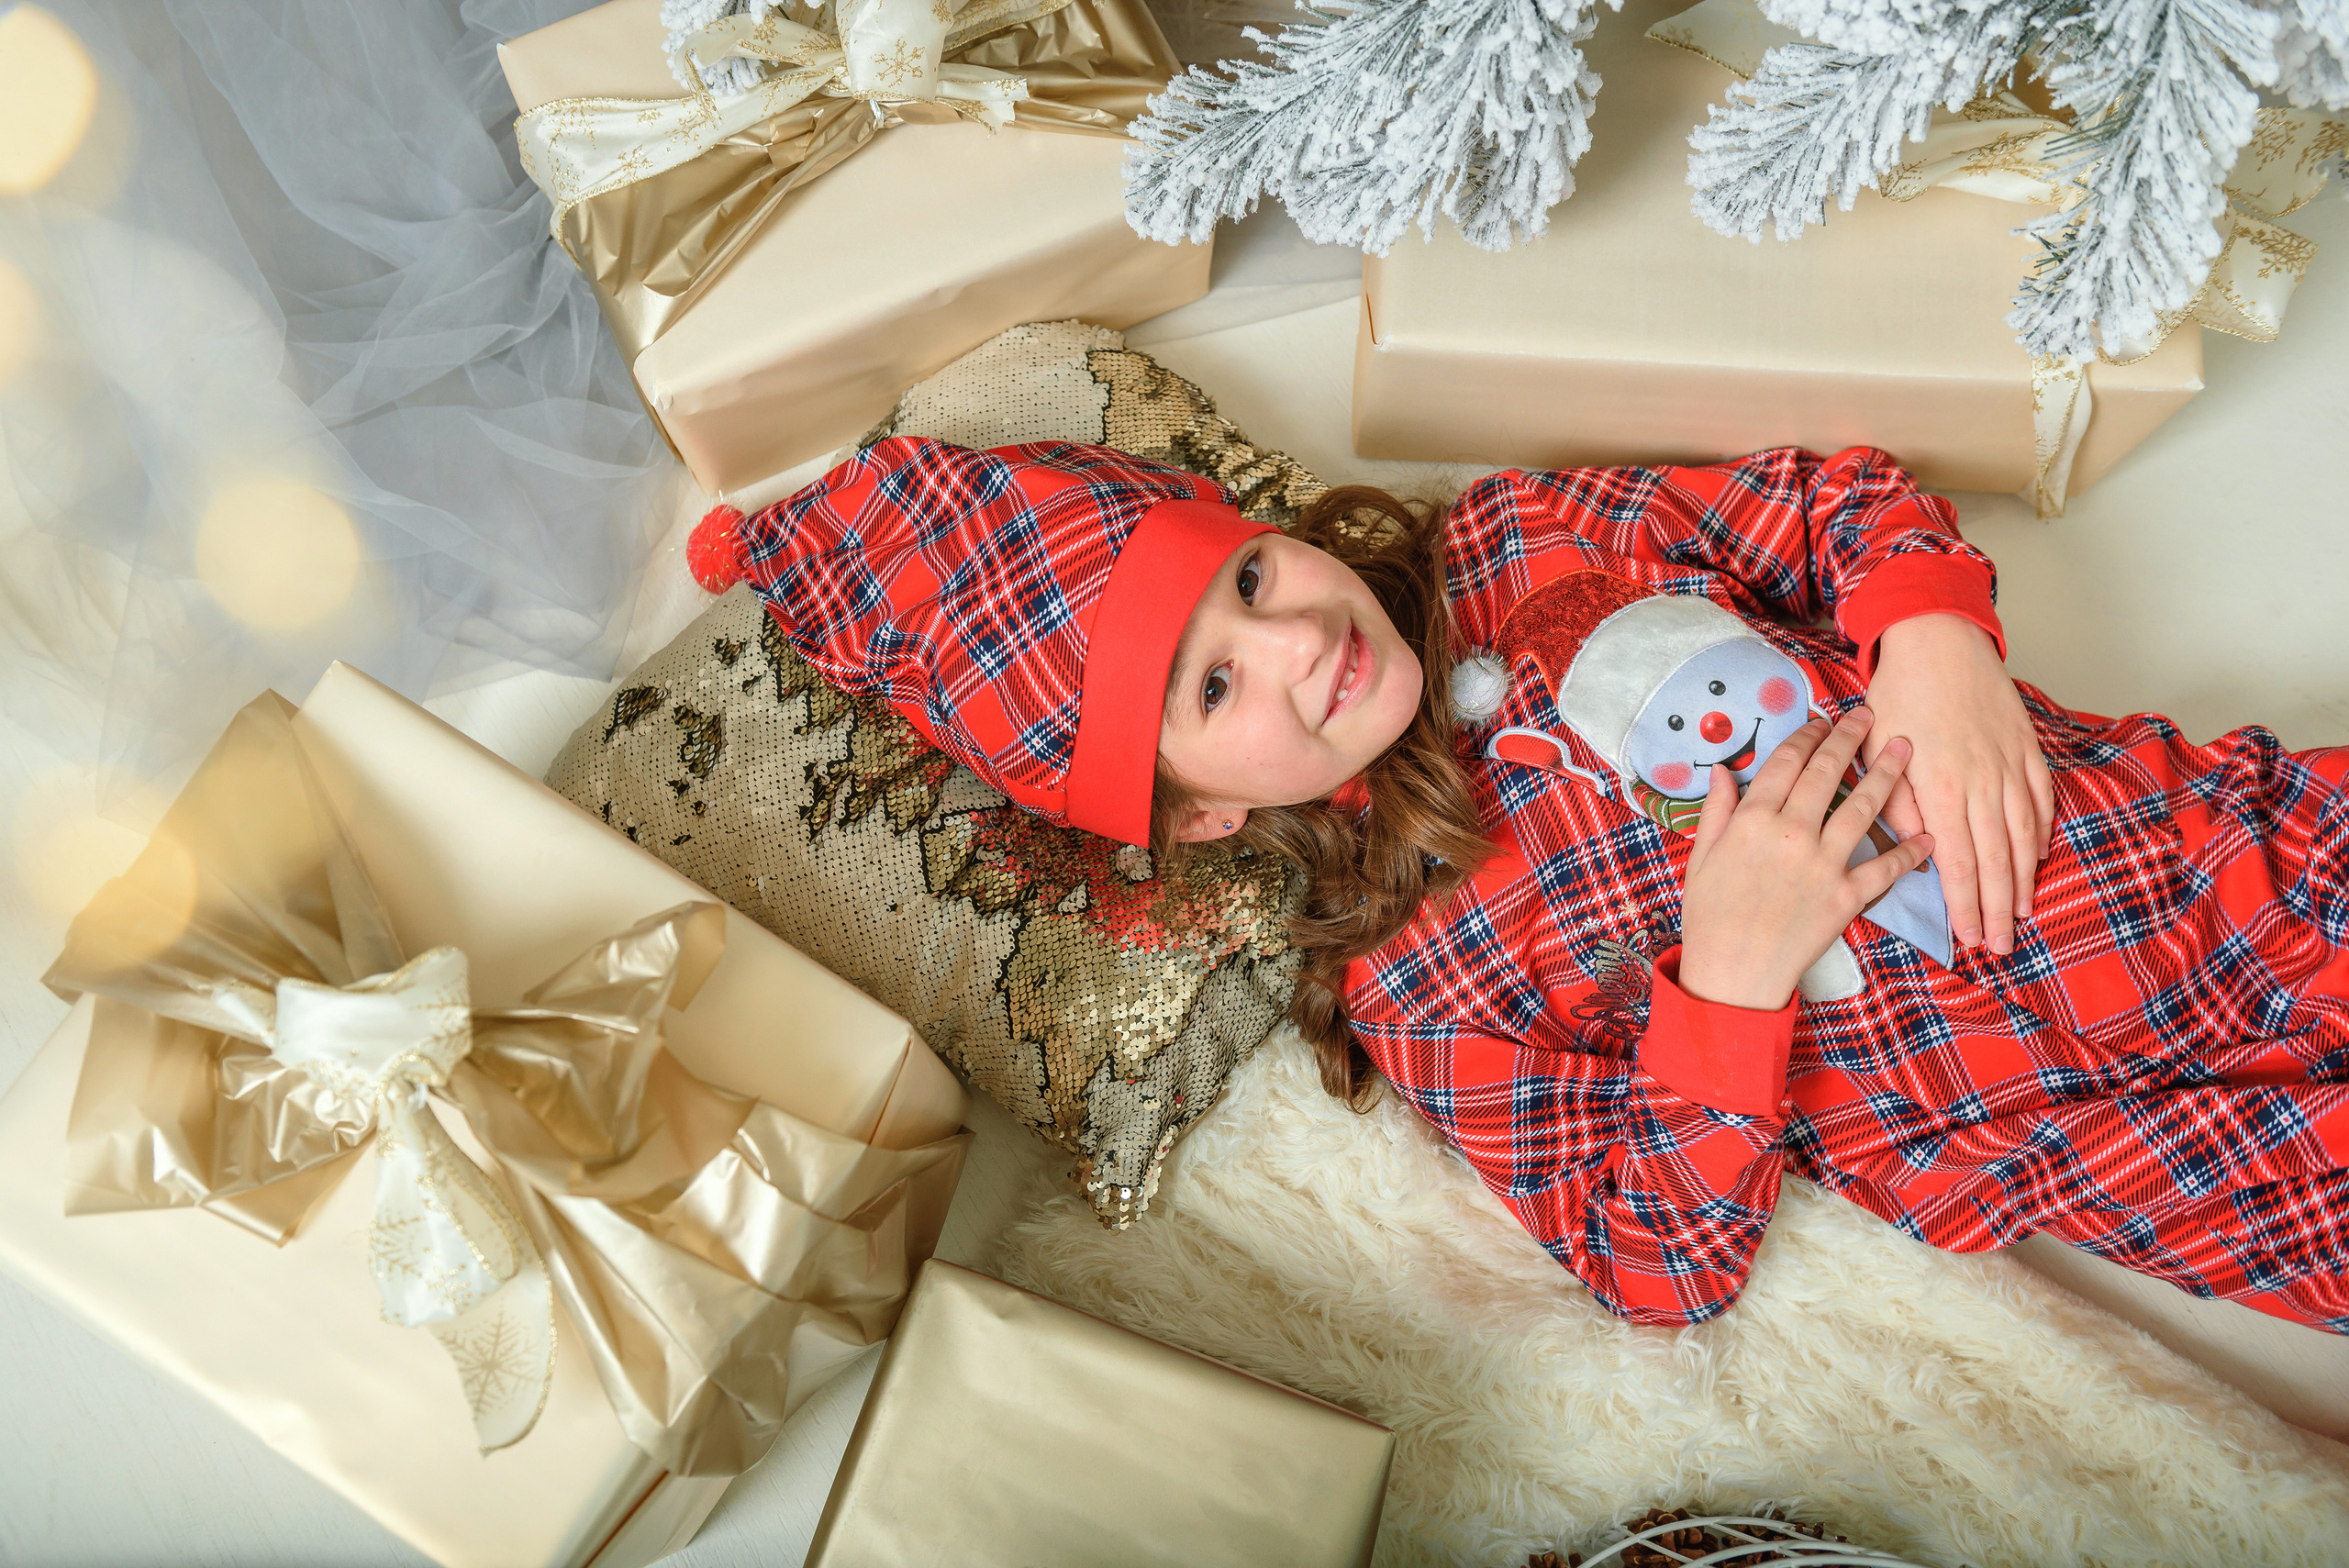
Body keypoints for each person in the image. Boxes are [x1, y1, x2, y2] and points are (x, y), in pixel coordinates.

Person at [709, 433, 2349, 1334]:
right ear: (1192, 818)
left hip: (2235, 859)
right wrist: (1732, 981)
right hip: (2167, 1148)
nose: (1293, 641)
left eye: (1253, 577)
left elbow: (1827, 500)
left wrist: (1932, 635)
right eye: (1211, 691)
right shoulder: (1421, 995)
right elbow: (1657, 1259)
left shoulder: (1530, 532)